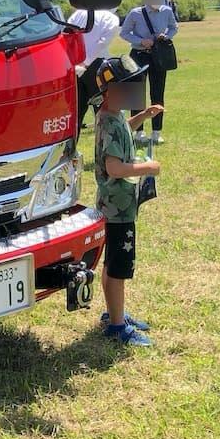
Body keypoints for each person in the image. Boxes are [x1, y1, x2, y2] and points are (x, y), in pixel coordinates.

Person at [92, 55, 163, 347]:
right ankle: (118, 326)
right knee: (118, 267)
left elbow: (125, 131)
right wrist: (148, 167)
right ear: (110, 91)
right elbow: (115, 168)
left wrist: (143, 116)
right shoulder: (108, 123)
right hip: (118, 208)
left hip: (117, 205)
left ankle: (114, 313)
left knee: (112, 263)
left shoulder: (113, 115)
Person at [119, 0, 178, 144]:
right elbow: (124, 33)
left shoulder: (167, 11)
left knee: (158, 92)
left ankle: (157, 132)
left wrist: (166, 37)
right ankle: (138, 132)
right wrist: (140, 40)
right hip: (138, 55)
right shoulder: (135, 13)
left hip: (158, 55)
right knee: (136, 94)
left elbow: (174, 27)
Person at [67, 8, 120, 131]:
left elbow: (67, 35)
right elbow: (102, 43)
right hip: (97, 65)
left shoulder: (79, 12)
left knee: (76, 111)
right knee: (107, 110)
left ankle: (71, 149)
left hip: (75, 64)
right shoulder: (111, 18)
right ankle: (109, 145)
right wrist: (86, 62)